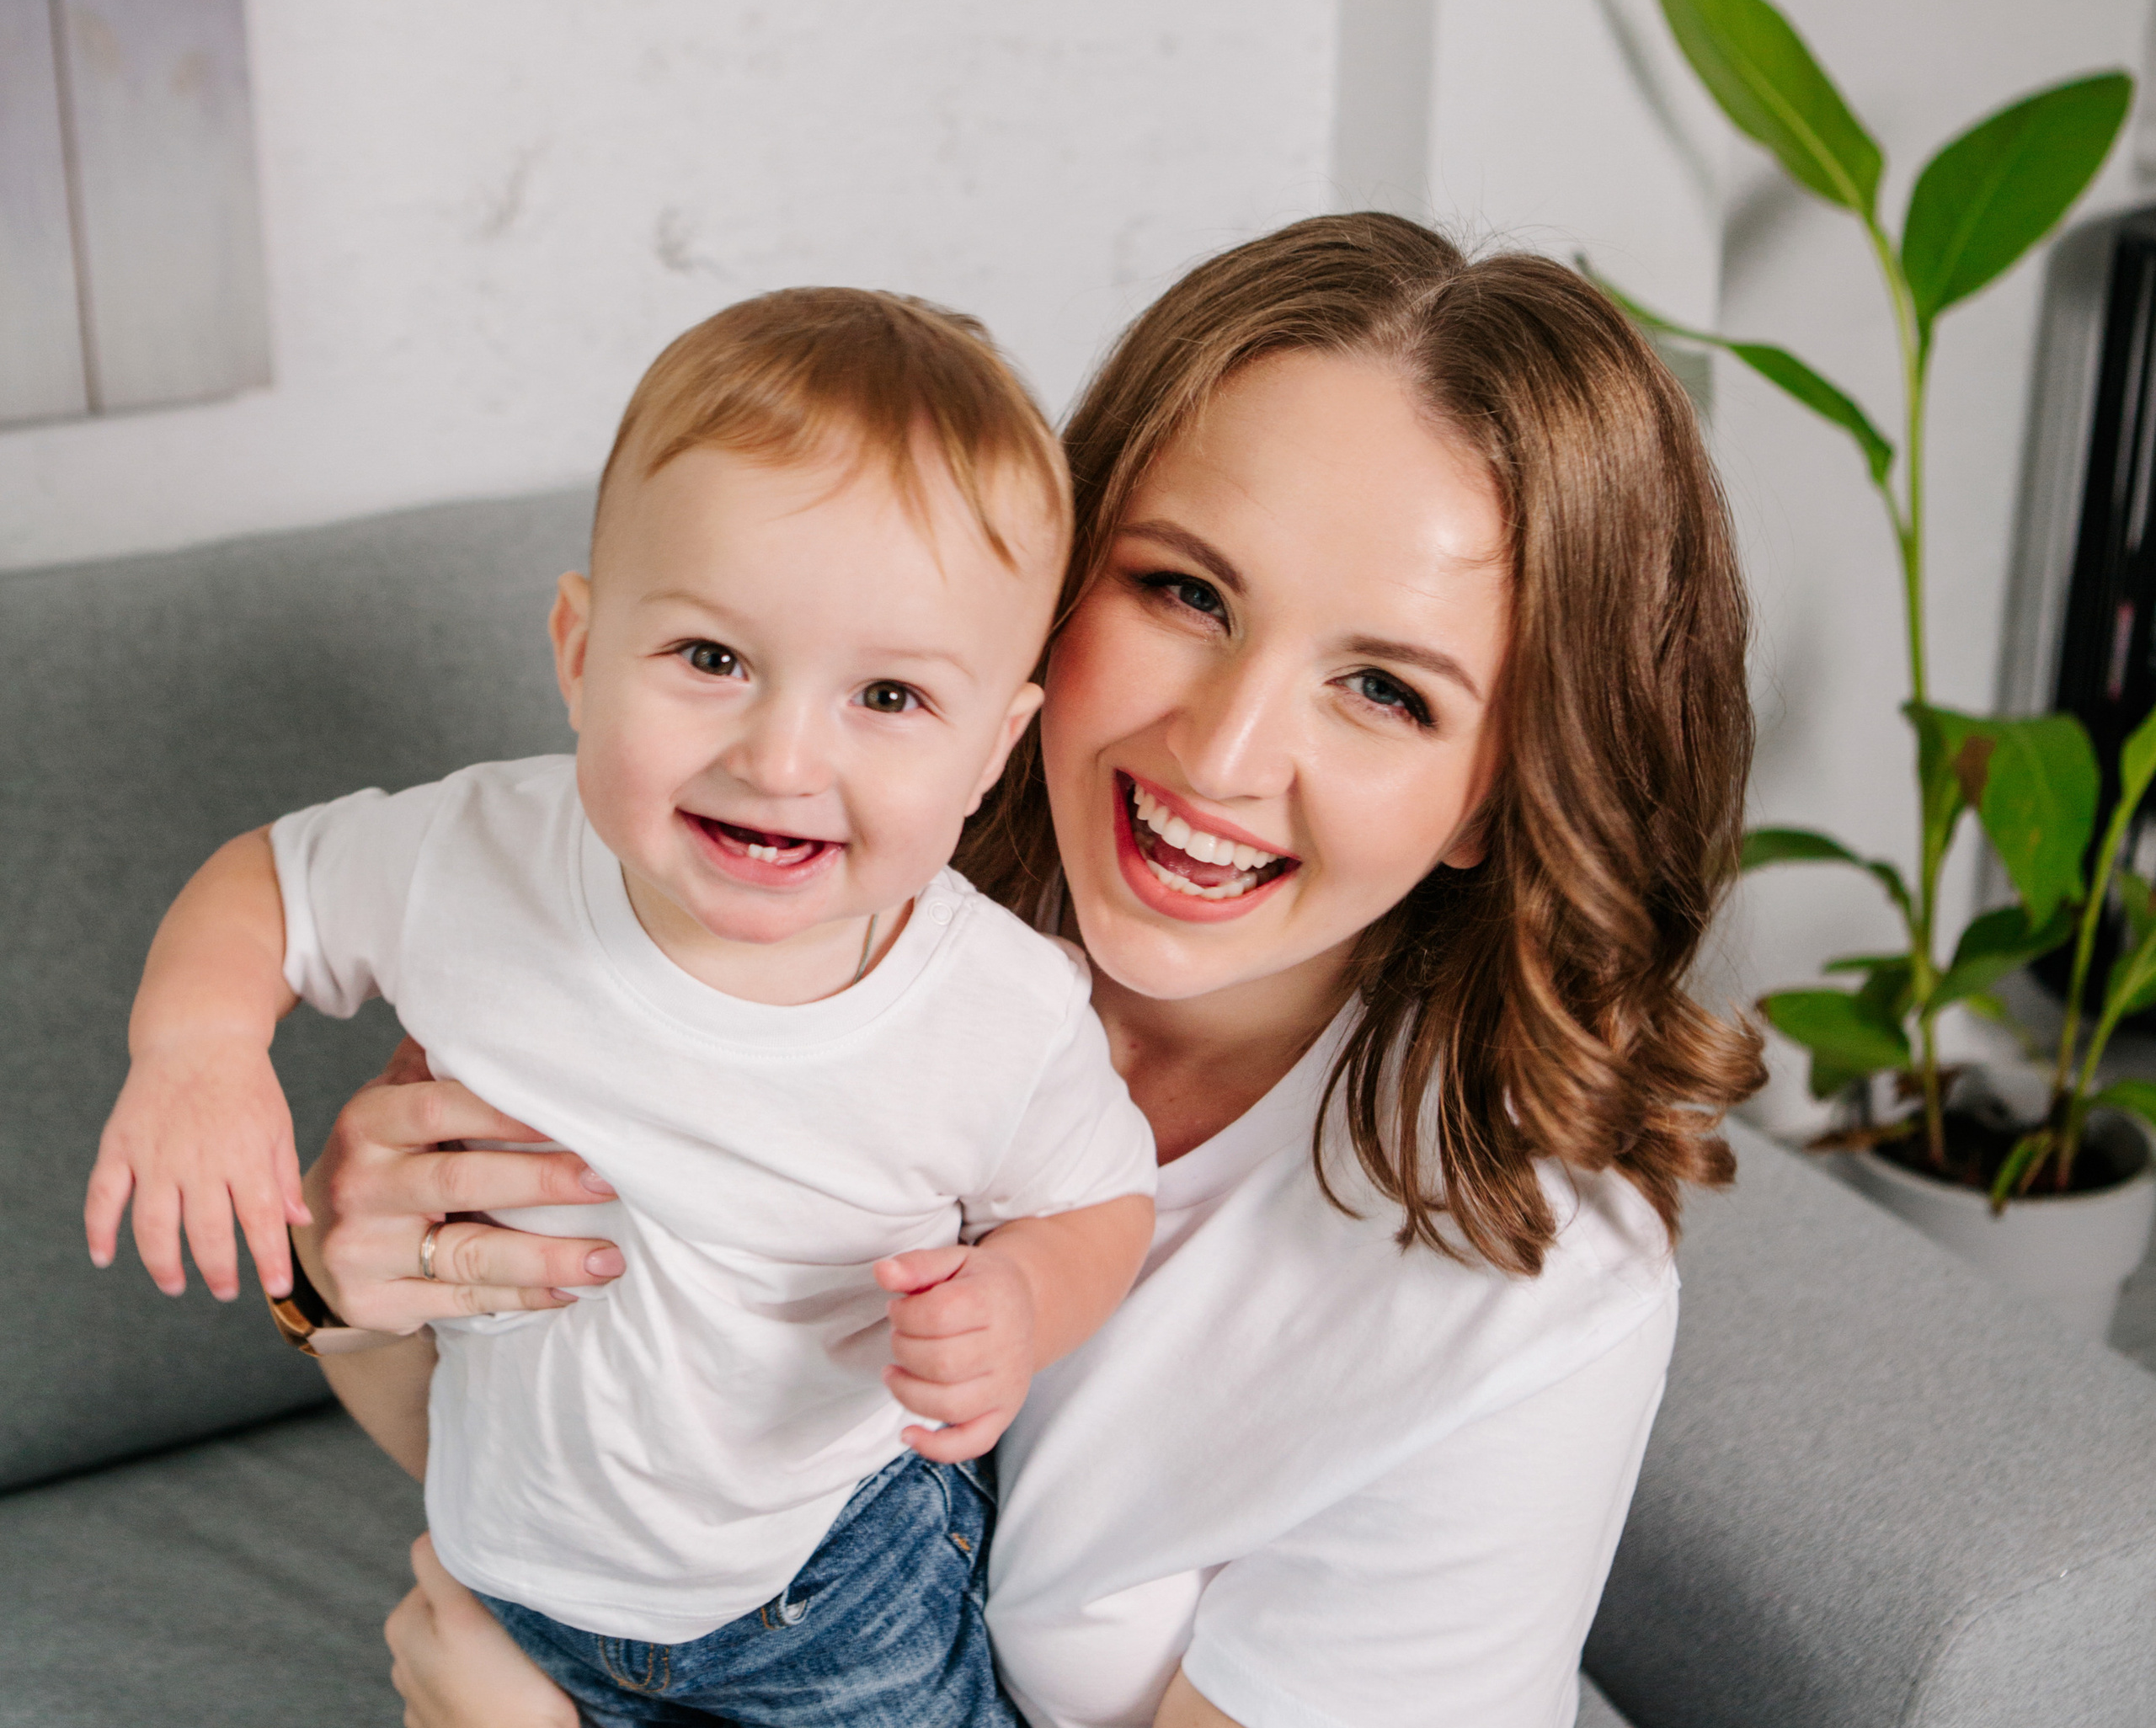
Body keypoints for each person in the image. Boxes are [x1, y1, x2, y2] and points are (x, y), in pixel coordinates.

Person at [289, 214, 1763, 1728]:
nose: (1223, 752)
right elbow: (596, 1479)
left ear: (1499, 795)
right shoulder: (811, 888)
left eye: (1383, 690)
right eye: (1186, 592)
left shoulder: (1517, 1293)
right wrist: (332, 1281)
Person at [83, 289, 1161, 1725]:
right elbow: (267, 884)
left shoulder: (999, 1009)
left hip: (826, 1591)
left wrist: (1022, 1298)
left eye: (889, 697)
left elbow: (1102, 1200)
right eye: (712, 660)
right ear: (580, 653)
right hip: (510, 1583)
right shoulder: (475, 858)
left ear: (993, 751)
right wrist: (200, 1045)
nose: (782, 757)